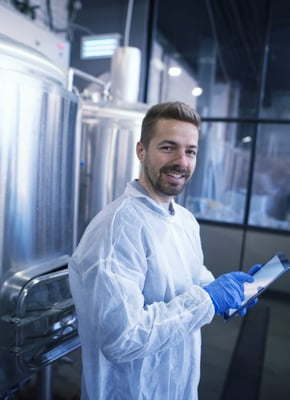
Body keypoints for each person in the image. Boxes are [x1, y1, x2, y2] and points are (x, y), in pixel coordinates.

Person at [68, 101, 260, 400]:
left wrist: (229, 293)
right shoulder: (119, 228)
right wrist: (207, 301)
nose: (182, 162)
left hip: (177, 384)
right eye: (168, 147)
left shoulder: (183, 220)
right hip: (129, 391)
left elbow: (193, 278)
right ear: (141, 151)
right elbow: (121, 338)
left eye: (191, 151)